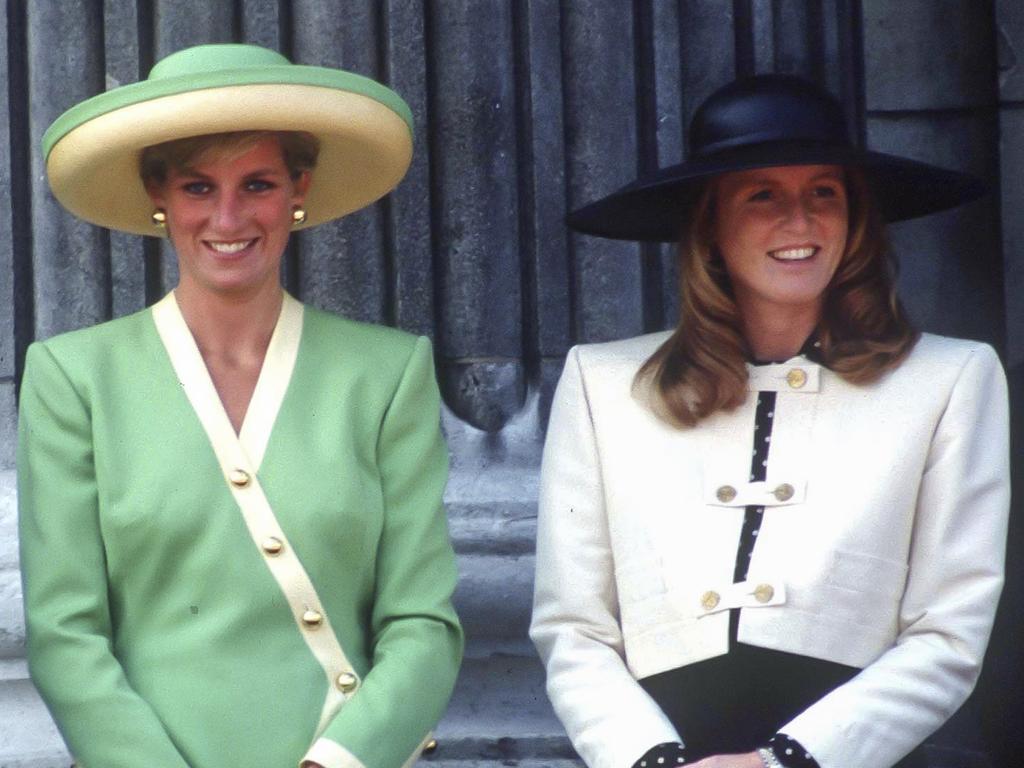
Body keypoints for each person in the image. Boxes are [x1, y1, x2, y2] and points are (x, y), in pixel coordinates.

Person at [529, 74, 1009, 768]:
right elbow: (574, 630)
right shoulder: (602, 384)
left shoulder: (950, 381)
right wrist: (653, 761)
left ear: (854, 219)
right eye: (762, 195)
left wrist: (784, 762)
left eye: (824, 193)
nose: (801, 221)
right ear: (710, 227)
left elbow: (948, 635)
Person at [18, 43, 462, 768]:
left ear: (299, 188)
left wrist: (340, 761)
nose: (228, 217)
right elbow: (64, 636)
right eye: (198, 187)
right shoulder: (73, 377)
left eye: (256, 184)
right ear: (158, 196)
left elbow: (423, 623)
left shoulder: (386, 373)